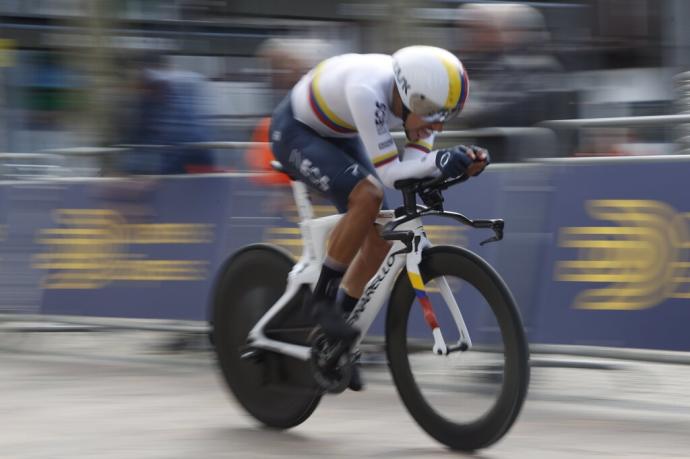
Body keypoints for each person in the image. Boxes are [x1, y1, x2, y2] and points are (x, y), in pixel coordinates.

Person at [270, 46, 489, 390]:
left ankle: (334, 343)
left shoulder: (422, 103)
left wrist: (459, 166)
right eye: (434, 115)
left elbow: (416, 166)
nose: (438, 125)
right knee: (368, 196)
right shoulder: (367, 90)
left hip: (341, 132)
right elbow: (390, 174)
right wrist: (440, 161)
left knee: (379, 239)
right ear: (411, 99)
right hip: (296, 130)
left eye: (446, 116)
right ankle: (322, 304)